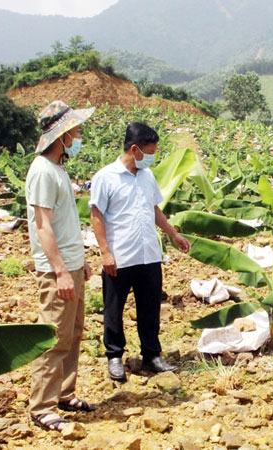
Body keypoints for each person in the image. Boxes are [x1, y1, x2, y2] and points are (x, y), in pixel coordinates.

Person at [89, 122, 191, 381]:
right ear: (134, 149)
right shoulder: (106, 177)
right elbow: (97, 215)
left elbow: (154, 209)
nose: (152, 157)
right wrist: (105, 252)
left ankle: (152, 355)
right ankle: (114, 356)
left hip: (148, 254)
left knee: (149, 308)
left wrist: (173, 233)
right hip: (120, 256)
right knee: (114, 309)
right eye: (149, 151)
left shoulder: (147, 176)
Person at [26, 100, 96, 432]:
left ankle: (65, 394)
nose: (80, 136)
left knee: (73, 334)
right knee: (54, 337)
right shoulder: (42, 171)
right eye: (77, 131)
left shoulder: (59, 168)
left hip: (71, 264)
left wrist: (79, 262)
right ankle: (42, 406)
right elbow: (43, 226)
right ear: (63, 134)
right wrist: (61, 270)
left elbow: (66, 224)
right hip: (57, 271)